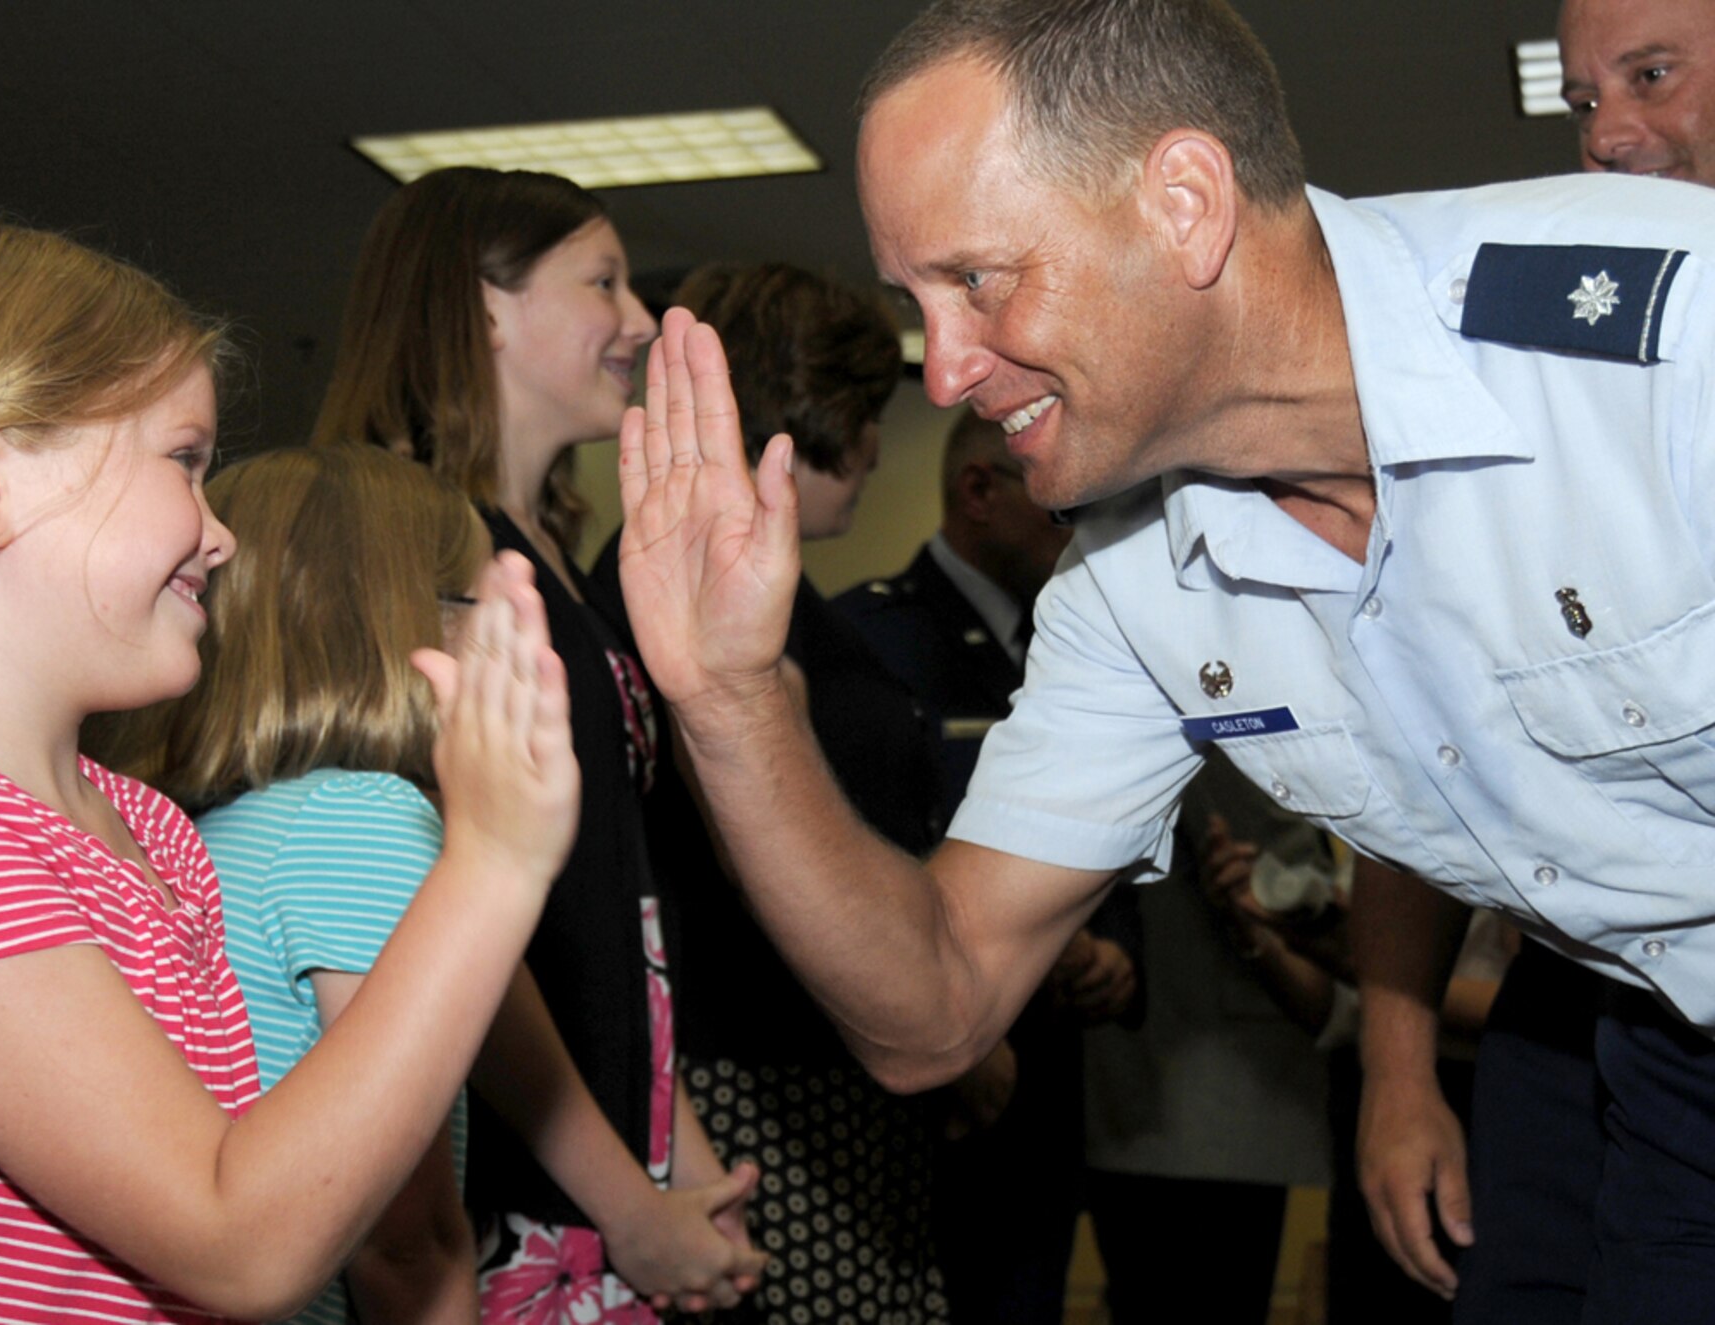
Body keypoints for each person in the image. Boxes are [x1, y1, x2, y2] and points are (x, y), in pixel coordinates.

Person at [609, 0, 1715, 1318]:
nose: (945, 372)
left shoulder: (1664, 335)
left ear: (1186, 204)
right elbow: (936, 1009)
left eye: (978, 278)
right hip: (1665, 1049)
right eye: (918, 302)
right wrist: (733, 705)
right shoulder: (1135, 585)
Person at [0, 201, 578, 1322]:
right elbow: (233, 1238)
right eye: (184, 460)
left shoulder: (141, 821)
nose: (218, 532)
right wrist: (493, 863)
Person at [313, 167, 762, 1322]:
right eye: (600, 281)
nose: (637, 320)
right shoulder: (427, 551)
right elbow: (454, 920)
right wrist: (627, 1199)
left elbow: (619, 913)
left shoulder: (553, 557)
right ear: (483, 311)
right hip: (523, 1198)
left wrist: (685, 1163)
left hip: (609, 1173)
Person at [1354, 0, 1715, 1315]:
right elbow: (1424, 732)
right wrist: (1399, 1068)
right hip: (1581, 1014)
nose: (1610, 134)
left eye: (1653, 75)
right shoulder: (1523, 369)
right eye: (1580, 99)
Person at [592, 261, 953, 1324]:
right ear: (817, 414)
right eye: (866, 414)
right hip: (759, 1075)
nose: (878, 450)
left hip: (837, 1053)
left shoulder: (786, 599)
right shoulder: (698, 590)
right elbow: (739, 842)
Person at [99, 444, 494, 1324]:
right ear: (402, 628)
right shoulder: (363, 822)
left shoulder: (213, 830)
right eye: (480, 607)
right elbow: (404, 1235)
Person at [835, 411, 1140, 1323]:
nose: (1085, 535)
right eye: (1066, 512)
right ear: (979, 492)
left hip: (1049, 1099)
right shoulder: (867, 641)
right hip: (928, 1109)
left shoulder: (1087, 639)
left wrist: (1117, 953)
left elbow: (1113, 817)